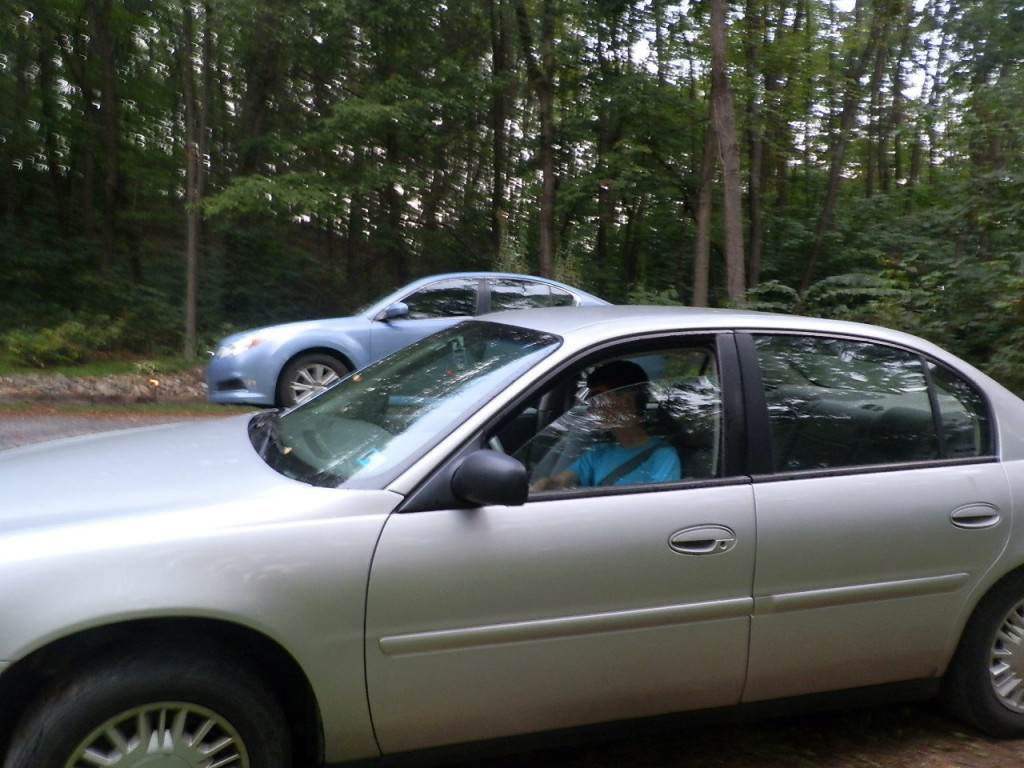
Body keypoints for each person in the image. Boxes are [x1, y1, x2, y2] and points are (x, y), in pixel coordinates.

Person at [530, 360, 682, 490]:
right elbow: (561, 481)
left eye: (599, 398)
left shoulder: (663, 457)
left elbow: (659, 509)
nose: (591, 407)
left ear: (627, 401)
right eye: (591, 400)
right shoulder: (598, 452)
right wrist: (547, 485)